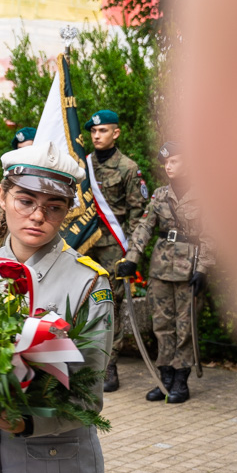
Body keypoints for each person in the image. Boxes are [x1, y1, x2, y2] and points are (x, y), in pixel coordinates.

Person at [0, 141, 113, 473]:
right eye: (25, 200)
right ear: (2, 195)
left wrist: (22, 421)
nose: (38, 216)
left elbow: (87, 399)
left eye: (54, 207)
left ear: (68, 210)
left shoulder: (87, 283)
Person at [116, 142, 214, 404]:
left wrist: (203, 268)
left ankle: (181, 379)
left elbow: (211, 236)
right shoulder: (159, 195)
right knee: (162, 325)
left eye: (174, 161)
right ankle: (165, 377)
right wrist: (132, 259)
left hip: (188, 270)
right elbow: (144, 228)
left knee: (185, 326)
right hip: (160, 268)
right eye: (166, 163)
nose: (168, 166)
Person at [83, 110, 147, 393]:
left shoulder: (128, 168)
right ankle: (85, 361)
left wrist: (132, 255)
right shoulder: (82, 166)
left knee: (111, 306)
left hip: (114, 247)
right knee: (83, 302)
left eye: (103, 131)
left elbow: (138, 213)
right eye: (94, 132)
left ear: (116, 133)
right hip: (85, 245)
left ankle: (109, 365)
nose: (97, 136)